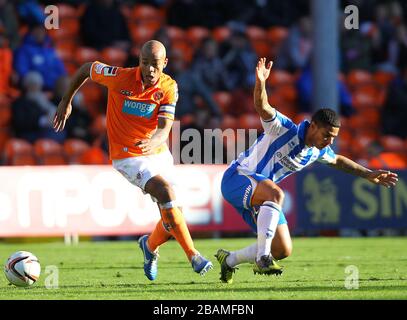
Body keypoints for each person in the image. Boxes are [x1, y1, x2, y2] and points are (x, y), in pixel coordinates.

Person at [215, 58, 399, 284]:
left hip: (261, 196)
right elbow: (262, 106)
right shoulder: (282, 129)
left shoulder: (317, 151)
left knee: (283, 249)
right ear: (313, 126)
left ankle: (229, 260)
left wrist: (367, 173)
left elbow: (338, 160)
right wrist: (261, 82)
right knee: (276, 195)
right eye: (326, 135)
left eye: (333, 138)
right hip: (237, 178)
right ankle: (262, 258)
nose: (329, 141)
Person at [53, 40, 213, 281]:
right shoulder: (120, 77)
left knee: (172, 218)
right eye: (145, 63)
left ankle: (149, 247)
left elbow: (165, 125)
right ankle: (194, 256)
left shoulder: (169, 87)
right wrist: (66, 101)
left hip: (156, 151)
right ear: (139, 61)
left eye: (155, 65)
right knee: (166, 193)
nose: (149, 69)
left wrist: (156, 140)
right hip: (127, 154)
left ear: (165, 64)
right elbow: (87, 68)